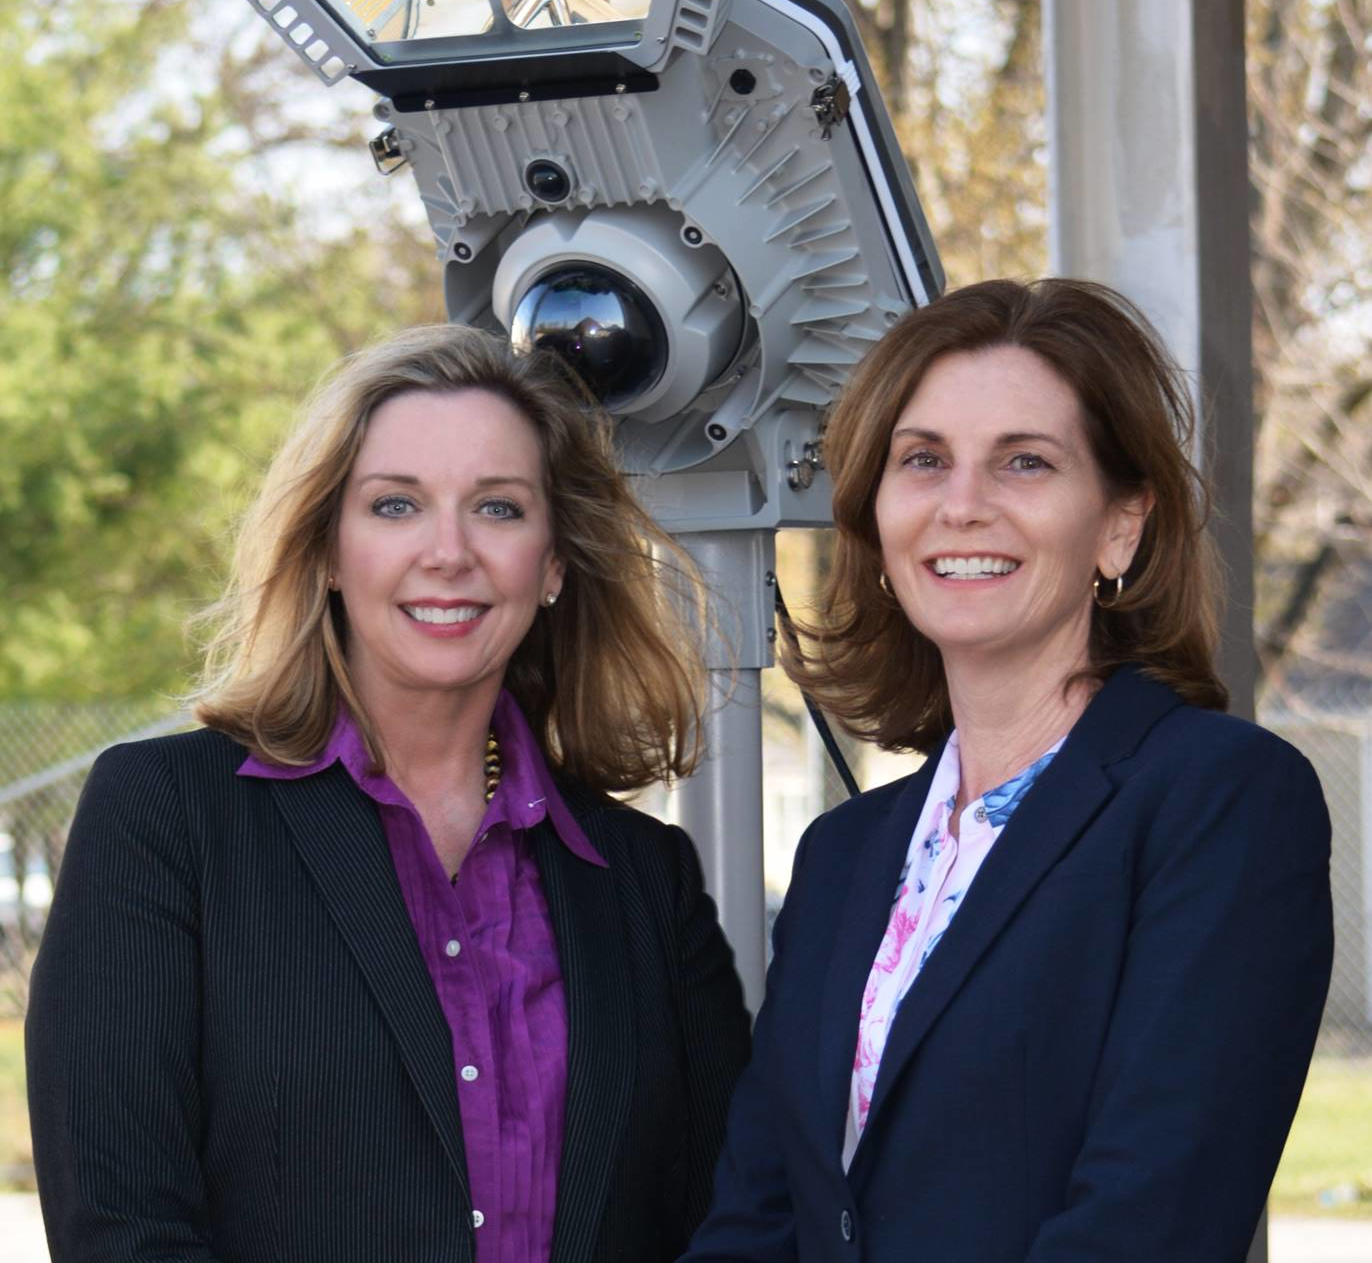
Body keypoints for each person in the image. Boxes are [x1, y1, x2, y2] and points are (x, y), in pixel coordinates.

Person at [27, 322, 750, 1263]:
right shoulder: (166, 818)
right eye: (396, 505)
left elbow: (725, 1217)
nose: (448, 552)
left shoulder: (645, 879)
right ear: (328, 549)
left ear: (556, 563)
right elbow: (121, 1228)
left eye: (497, 509)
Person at [683, 278, 1333, 1263]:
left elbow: (1150, 1221)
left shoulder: (1217, 802)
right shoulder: (844, 853)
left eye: (1023, 462)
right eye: (923, 461)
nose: (962, 506)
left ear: (1120, 526)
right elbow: (758, 1215)